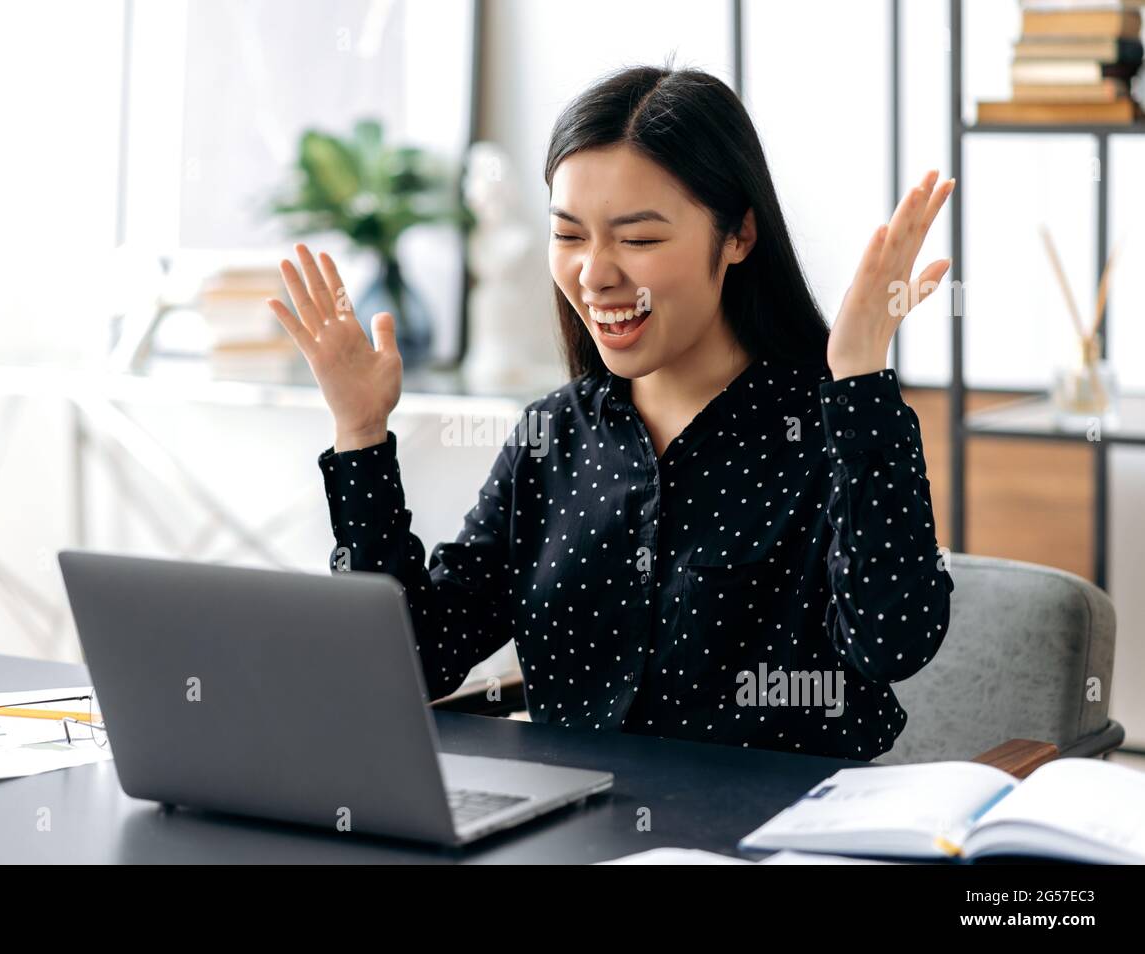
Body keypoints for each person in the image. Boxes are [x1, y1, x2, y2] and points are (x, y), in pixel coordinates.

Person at [267, 64, 956, 760]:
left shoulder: (830, 424)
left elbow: (892, 641)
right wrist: (361, 435)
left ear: (739, 235)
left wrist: (860, 376)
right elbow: (409, 660)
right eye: (569, 235)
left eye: (639, 239)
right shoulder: (551, 437)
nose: (595, 274)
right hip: (576, 835)